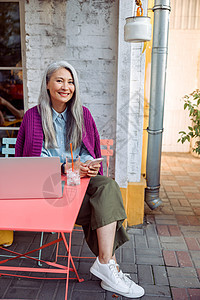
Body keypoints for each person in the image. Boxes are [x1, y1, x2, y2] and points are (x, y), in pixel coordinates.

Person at [15, 61, 145, 298]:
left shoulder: (82, 114)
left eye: (71, 81)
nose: (66, 87)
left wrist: (88, 164)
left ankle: (105, 263)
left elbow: (89, 149)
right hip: (49, 193)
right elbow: (28, 166)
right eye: (60, 80)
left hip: (79, 186)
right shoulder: (33, 117)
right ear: (47, 84)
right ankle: (109, 266)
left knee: (107, 186)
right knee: (104, 207)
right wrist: (63, 166)